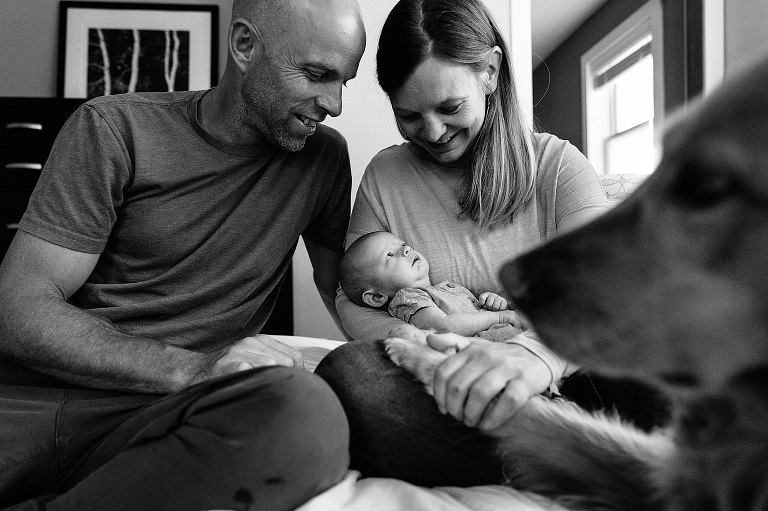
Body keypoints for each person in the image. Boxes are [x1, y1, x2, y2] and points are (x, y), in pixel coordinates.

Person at [0, 0, 365, 509]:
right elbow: (17, 311)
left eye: (344, 80)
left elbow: (348, 289)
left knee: (306, 414)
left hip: (172, 420)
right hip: (40, 405)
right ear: (244, 46)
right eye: (316, 74)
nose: (335, 103)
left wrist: (435, 328)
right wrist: (193, 368)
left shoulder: (323, 159)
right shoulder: (113, 128)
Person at [316, 0, 670, 489]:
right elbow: (351, 296)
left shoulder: (558, 166)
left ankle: (553, 449)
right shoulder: (387, 176)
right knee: (351, 378)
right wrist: (447, 352)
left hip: (573, 376)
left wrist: (532, 358)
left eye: (449, 107)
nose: (433, 132)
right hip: (450, 387)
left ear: (490, 72)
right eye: (409, 116)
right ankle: (570, 457)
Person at [340, 231, 524, 337]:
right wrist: (500, 317)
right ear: (377, 296)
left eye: (403, 244)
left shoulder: (447, 288)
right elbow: (445, 328)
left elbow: (475, 316)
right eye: (389, 255)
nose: (405, 249)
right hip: (489, 358)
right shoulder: (409, 297)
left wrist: (493, 303)